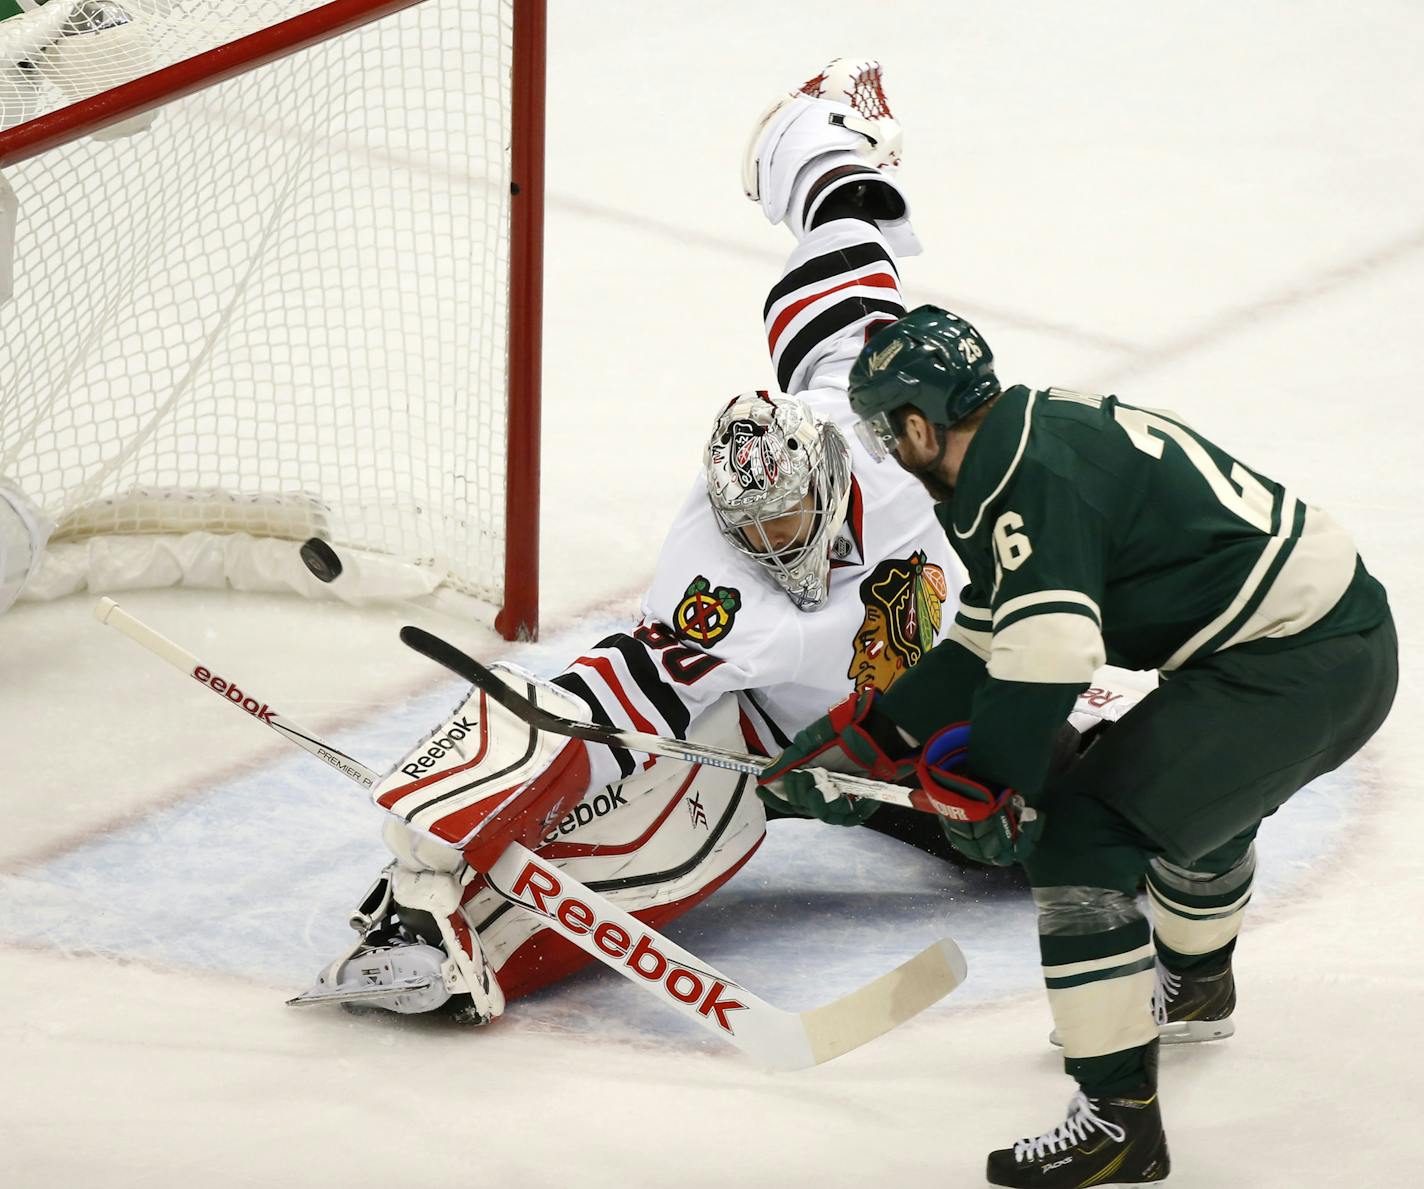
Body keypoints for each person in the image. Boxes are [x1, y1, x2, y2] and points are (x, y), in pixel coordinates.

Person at [760, 306, 1397, 1185]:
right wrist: (867, 741)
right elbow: (987, 642)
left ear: (919, 423)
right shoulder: (1021, 444)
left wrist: (1002, 784)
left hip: (1298, 664)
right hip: (1323, 641)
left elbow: (1055, 651)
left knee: (1084, 835)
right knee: (1186, 787)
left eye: (886, 432)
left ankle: (1118, 1122)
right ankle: (1199, 984)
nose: (887, 451)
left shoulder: (1026, 483)